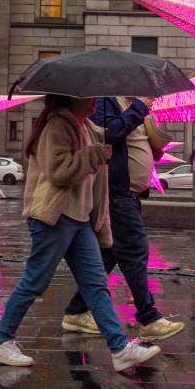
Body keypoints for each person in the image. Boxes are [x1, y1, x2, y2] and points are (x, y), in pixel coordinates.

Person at [0, 95, 161, 372]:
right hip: (55, 216)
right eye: (89, 99)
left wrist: (141, 124)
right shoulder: (57, 126)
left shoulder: (84, 125)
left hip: (79, 218)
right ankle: (0, 341)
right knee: (35, 281)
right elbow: (58, 172)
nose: (95, 103)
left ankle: (119, 348)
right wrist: (94, 155)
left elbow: (110, 134)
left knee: (95, 284)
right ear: (72, 99)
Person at [62, 97, 185, 343]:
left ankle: (76, 311)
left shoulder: (128, 105)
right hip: (117, 192)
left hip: (129, 193)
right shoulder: (107, 101)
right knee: (135, 250)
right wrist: (138, 109)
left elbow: (129, 140)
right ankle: (148, 318)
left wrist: (152, 148)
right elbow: (109, 133)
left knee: (111, 254)